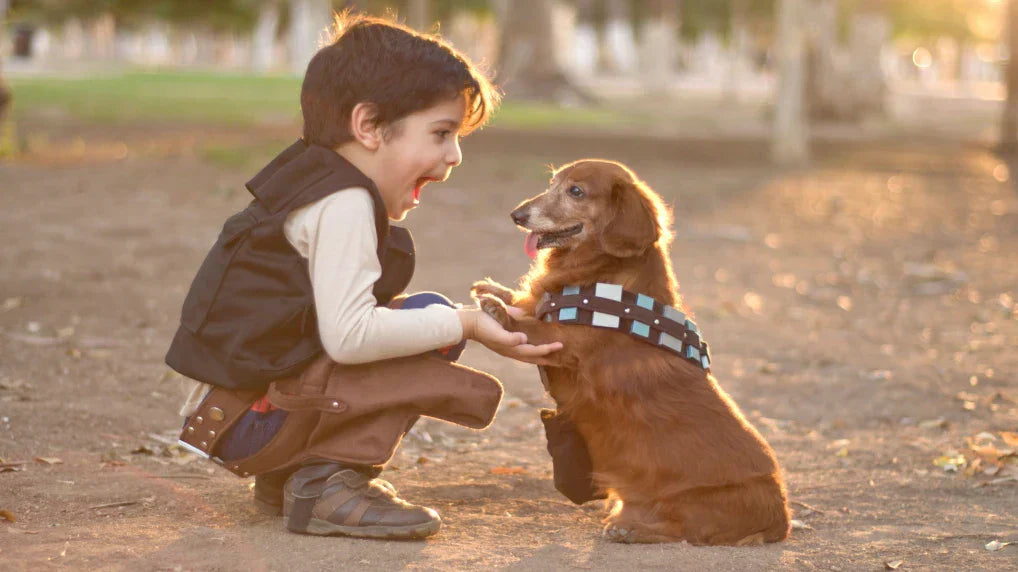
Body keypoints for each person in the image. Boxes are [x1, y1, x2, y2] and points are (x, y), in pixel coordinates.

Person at [165, 13, 561, 540]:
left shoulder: (312, 179)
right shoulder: (344, 202)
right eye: (441, 133)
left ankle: (290, 476)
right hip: (247, 425)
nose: (455, 155)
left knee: (422, 317)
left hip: (235, 415)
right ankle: (325, 483)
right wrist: (464, 323)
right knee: (429, 322)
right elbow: (350, 338)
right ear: (369, 126)